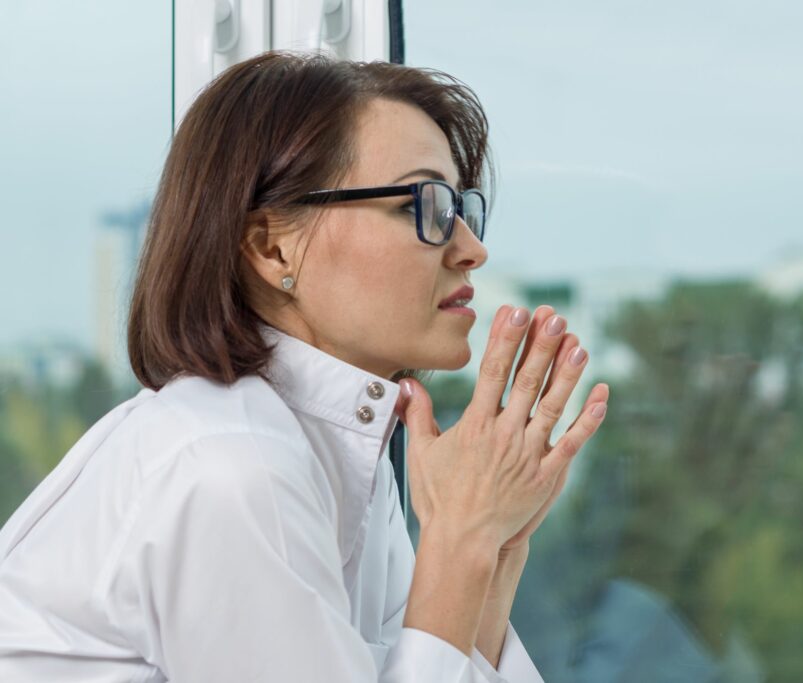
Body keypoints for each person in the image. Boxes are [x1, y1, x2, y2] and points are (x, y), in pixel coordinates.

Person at [0, 51, 610, 682]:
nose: (472, 249)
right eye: (424, 205)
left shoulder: (334, 456)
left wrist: (491, 550)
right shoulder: (230, 468)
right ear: (271, 245)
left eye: (463, 207)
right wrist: (461, 541)